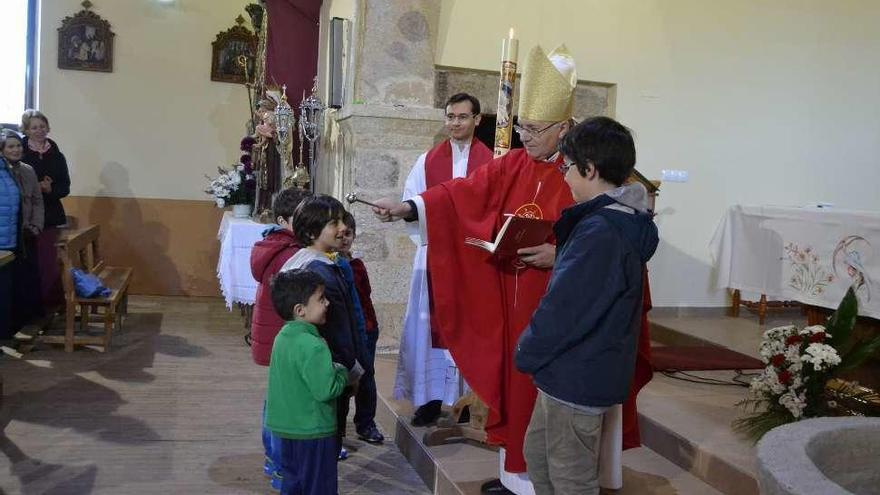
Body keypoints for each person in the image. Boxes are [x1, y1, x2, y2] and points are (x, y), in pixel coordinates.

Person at [515, 117, 658, 494]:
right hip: (569, 371)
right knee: (540, 457)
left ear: (590, 170)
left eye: (568, 168)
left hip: (577, 373)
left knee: (570, 475)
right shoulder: (612, 222)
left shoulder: (601, 231)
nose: (564, 177)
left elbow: (566, 308)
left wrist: (527, 350)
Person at [393, 92, 494, 427]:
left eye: (462, 117)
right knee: (427, 326)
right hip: (433, 258)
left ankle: (465, 400)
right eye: (450, 116)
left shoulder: (492, 161)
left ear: (477, 119)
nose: (454, 123)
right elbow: (412, 203)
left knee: (469, 328)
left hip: (473, 262)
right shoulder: (427, 161)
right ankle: (428, 399)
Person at [281, 195, 368, 461]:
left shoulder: (303, 261)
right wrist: (352, 369)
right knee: (327, 430)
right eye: (334, 223)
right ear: (311, 232)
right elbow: (338, 328)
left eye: (342, 220)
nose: (343, 228)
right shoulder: (322, 274)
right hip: (331, 366)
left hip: (313, 365)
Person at [265, 268, 353, 495]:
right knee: (318, 487)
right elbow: (326, 390)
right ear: (300, 310)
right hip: (314, 431)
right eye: (321, 299)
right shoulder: (314, 345)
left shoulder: (282, 338)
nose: (327, 304)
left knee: (293, 484)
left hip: (286, 429)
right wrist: (342, 373)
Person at [249, 187, 310, 485]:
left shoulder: (271, 245)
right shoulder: (288, 252)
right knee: (282, 403)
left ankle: (276, 459)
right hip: (283, 335)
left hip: (275, 334)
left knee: (277, 398)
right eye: (303, 217)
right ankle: (279, 461)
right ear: (286, 220)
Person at [338, 211, 384, 444]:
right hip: (343, 331)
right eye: (340, 234)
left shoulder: (357, 266)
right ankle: (339, 429)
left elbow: (365, 295)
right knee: (343, 378)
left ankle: (366, 423)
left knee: (367, 376)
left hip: (366, 328)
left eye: (349, 234)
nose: (345, 238)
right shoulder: (329, 265)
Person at [21, 110, 71, 311]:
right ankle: (30, 307)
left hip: (51, 215)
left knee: (49, 262)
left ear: (48, 128)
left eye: (42, 126)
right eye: (34, 127)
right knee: (30, 262)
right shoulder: (20, 152)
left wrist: (50, 189)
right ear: (26, 130)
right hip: (28, 216)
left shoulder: (57, 155)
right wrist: (36, 188)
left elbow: (65, 187)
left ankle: (50, 306)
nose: (39, 130)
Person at [0, 131, 44, 335]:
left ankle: (15, 325)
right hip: (6, 236)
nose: (16, 149)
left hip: (23, 234)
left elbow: (36, 200)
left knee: (19, 282)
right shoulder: (4, 172)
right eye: (10, 146)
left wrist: (35, 226)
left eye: (18, 146)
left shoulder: (27, 170)